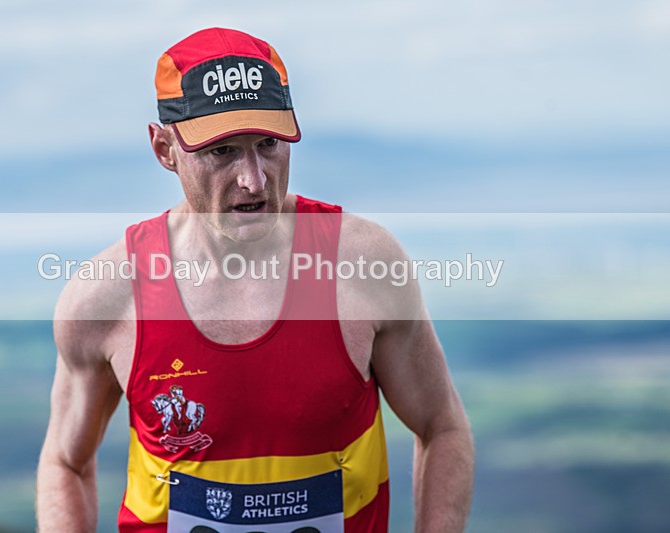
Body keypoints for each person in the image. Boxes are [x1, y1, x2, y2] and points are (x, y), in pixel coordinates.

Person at [36, 27, 474, 532]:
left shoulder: (364, 266)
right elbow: (65, 463)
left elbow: (442, 427)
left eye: (268, 144)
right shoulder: (108, 294)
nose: (254, 180)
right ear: (164, 149)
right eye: (222, 151)